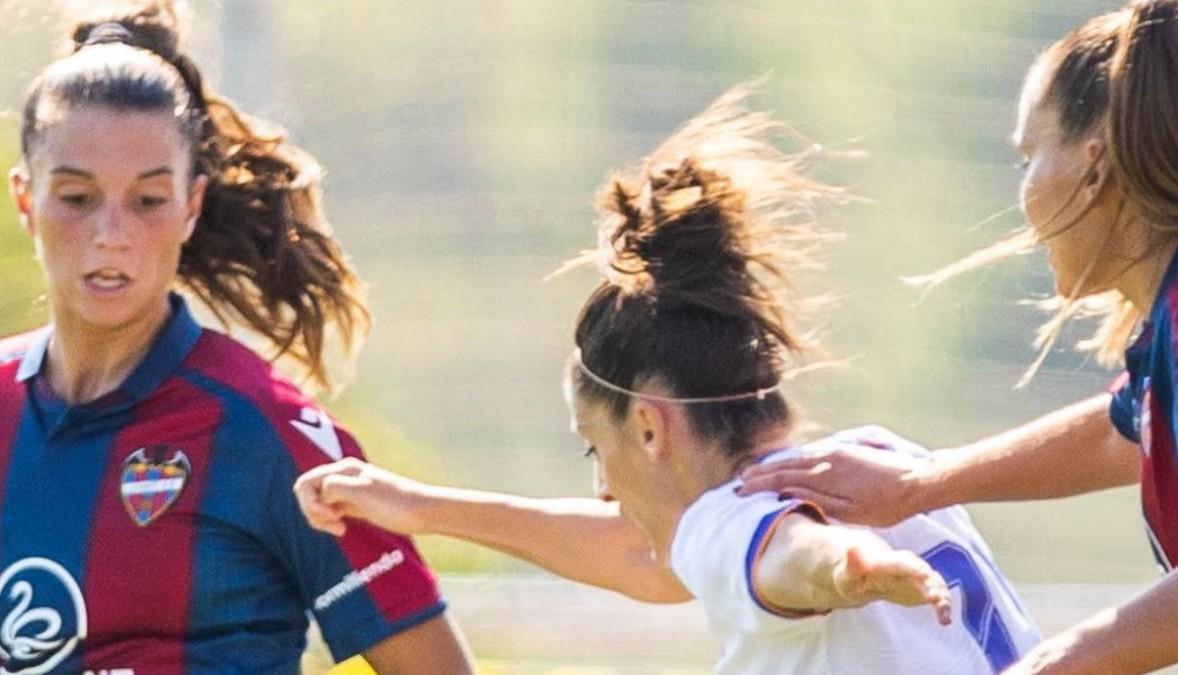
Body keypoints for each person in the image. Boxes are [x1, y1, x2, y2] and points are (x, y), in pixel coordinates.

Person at [295, 85, 1041, 674]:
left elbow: (790, 556)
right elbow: (648, 555)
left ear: (650, 426)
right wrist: (419, 505)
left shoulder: (738, 520)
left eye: (595, 446)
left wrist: (852, 570)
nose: (604, 490)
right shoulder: (883, 464)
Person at [0, 2, 475, 673]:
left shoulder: (266, 429)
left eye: (148, 200)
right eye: (77, 198)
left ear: (191, 205)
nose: (111, 233)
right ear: (26, 201)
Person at [737, 1, 1178, 672]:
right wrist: (920, 484)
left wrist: (1058, 662)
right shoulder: (1176, 320)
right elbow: (1121, 431)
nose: (1023, 193)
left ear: (1095, 166)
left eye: (1027, 158)